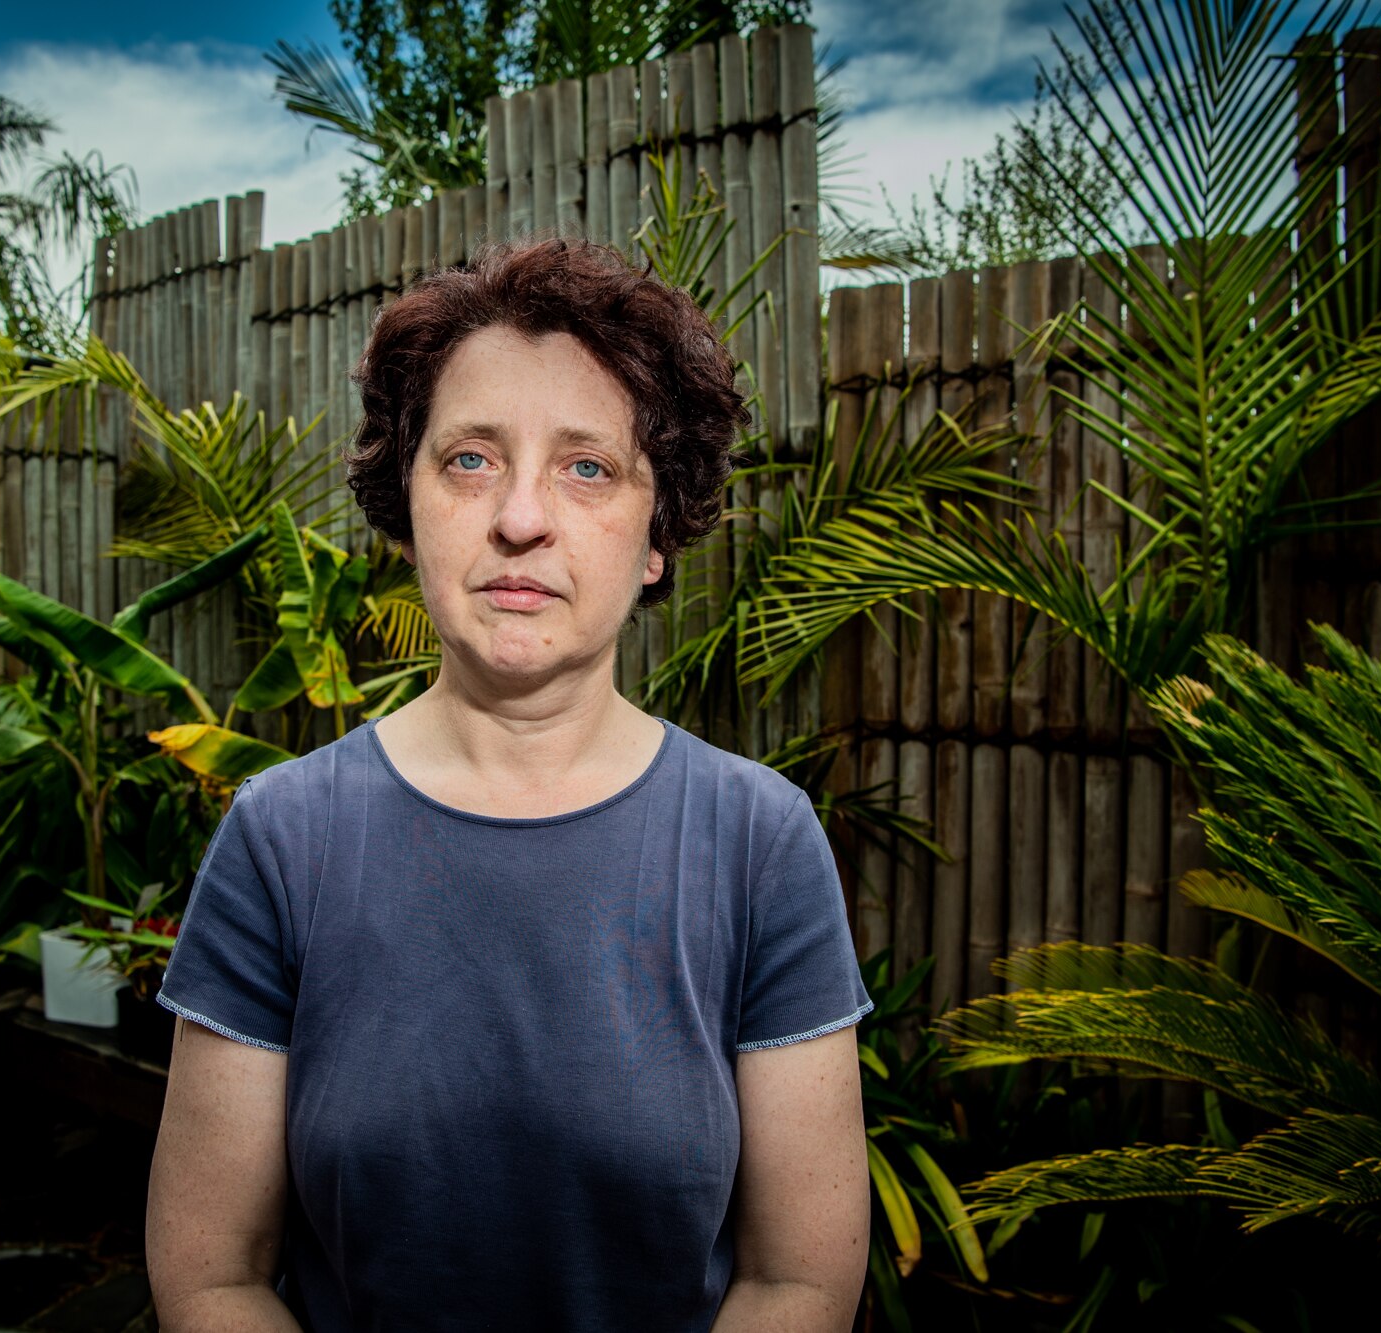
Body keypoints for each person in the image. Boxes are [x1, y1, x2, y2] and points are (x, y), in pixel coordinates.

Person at [144, 236, 872, 1332]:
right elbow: (210, 1279)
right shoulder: (280, 836)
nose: (520, 518)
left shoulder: (759, 841)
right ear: (408, 503)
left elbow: (798, 1281)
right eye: (471, 459)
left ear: (658, 533)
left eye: (586, 467)